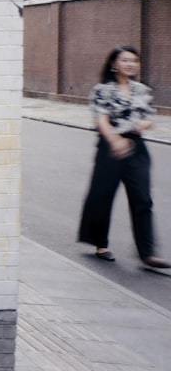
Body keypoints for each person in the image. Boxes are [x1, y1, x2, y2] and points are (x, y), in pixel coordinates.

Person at [77, 45, 170, 269]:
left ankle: (147, 254)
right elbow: (101, 119)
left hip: (136, 147)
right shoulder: (102, 90)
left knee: (143, 198)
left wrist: (140, 126)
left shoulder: (142, 90)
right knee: (102, 195)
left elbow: (149, 118)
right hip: (110, 147)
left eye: (134, 61)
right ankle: (100, 244)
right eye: (126, 60)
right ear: (114, 64)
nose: (131, 64)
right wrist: (115, 141)